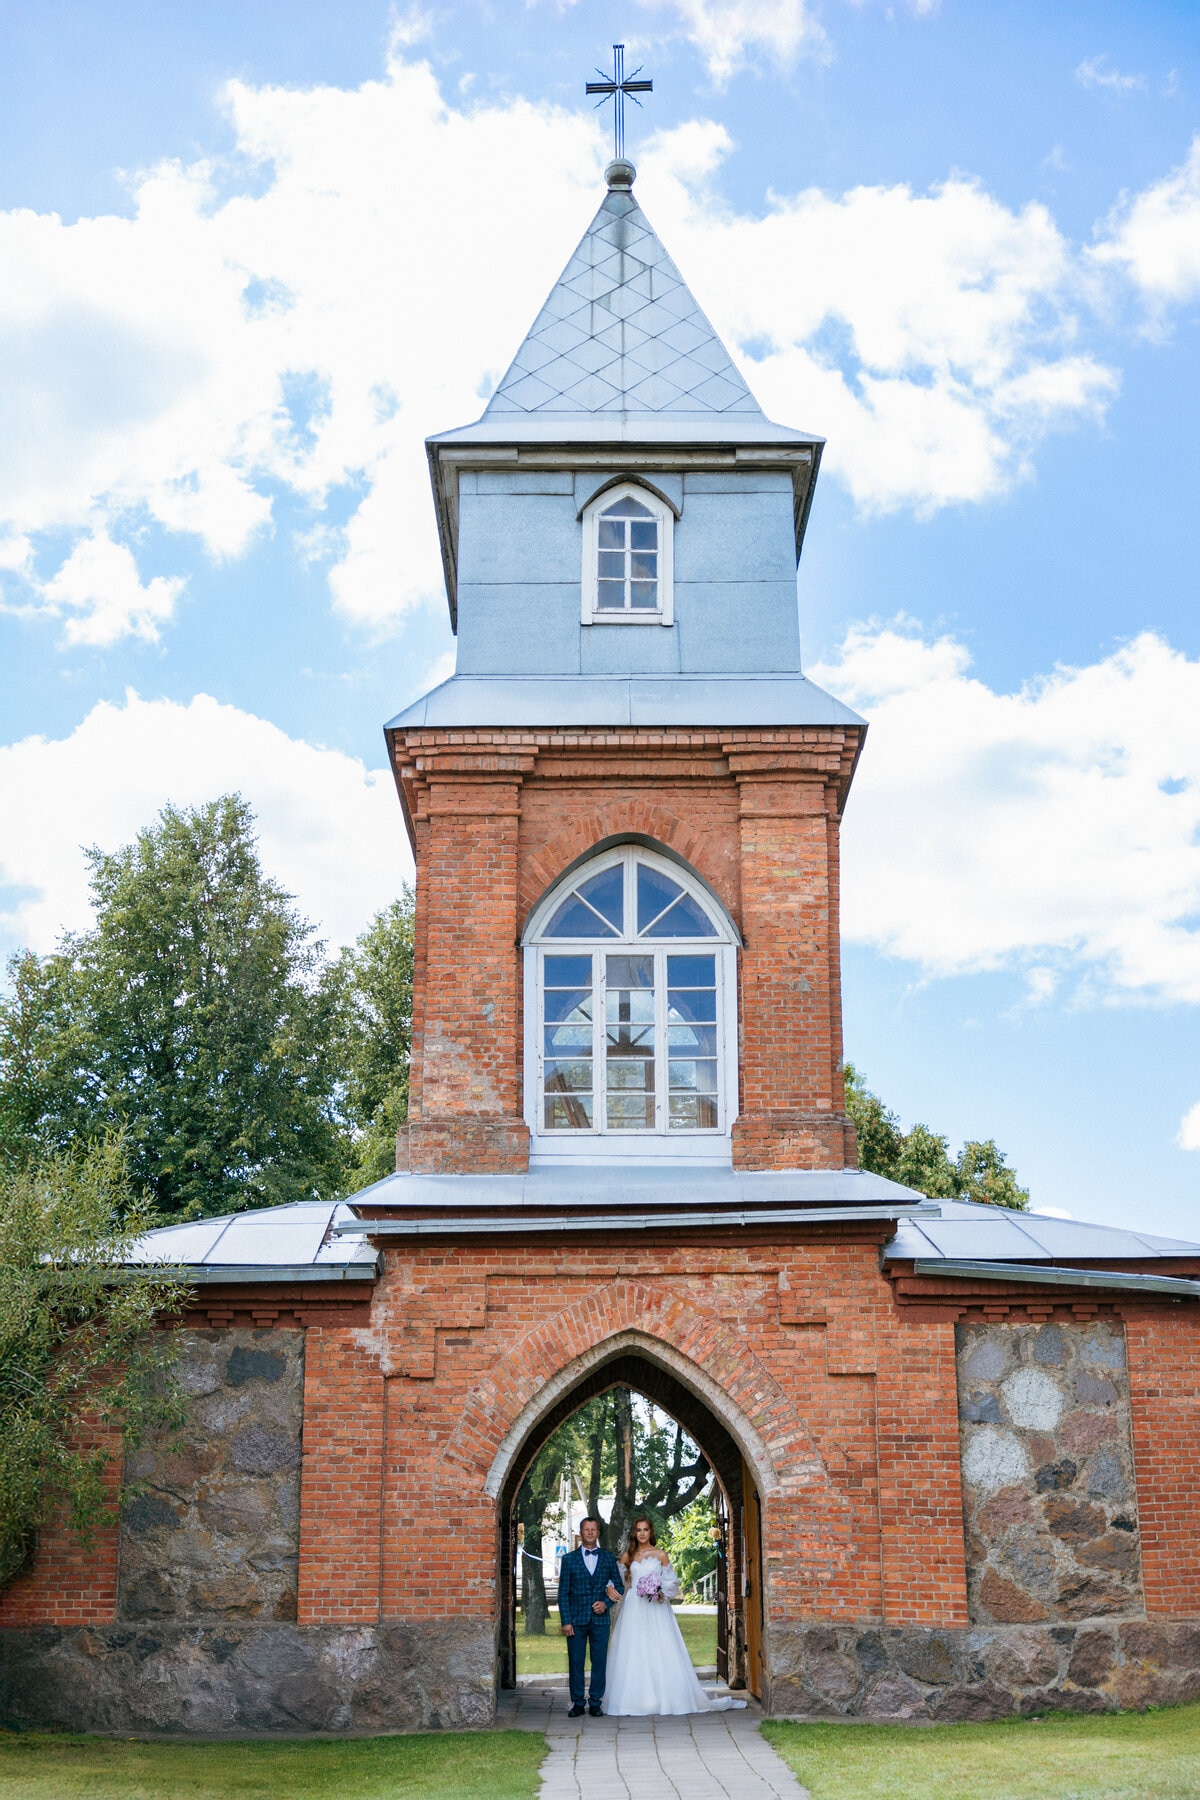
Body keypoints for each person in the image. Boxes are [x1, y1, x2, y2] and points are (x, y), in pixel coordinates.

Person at [603, 1514, 746, 1716]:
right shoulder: (628, 1555)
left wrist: (661, 1592)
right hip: (634, 1606)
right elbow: (614, 1578)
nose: (642, 1533)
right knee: (633, 1648)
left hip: (656, 1607)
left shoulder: (661, 1555)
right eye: (638, 1530)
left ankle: (667, 1697)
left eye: (645, 1529)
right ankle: (634, 1699)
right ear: (634, 1533)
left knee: (660, 1647)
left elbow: (671, 1582)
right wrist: (609, 1587)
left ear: (651, 1531)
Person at [557, 1515, 624, 1717]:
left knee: (599, 1661)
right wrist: (566, 1621)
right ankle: (578, 1702)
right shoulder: (569, 1559)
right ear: (581, 1532)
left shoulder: (607, 1557)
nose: (590, 1532)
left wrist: (606, 1602)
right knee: (576, 1662)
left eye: (594, 1529)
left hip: (600, 1621)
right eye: (586, 1529)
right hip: (576, 1621)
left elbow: (619, 1586)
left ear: (598, 1532)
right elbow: (563, 1593)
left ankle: (595, 1701)